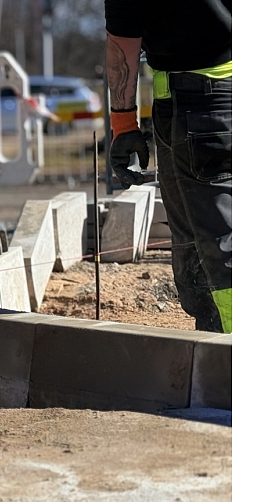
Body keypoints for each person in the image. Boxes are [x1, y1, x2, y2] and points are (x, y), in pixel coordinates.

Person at [103, 0, 231, 333]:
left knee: (215, 245)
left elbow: (123, 46)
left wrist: (123, 124)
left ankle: (224, 356)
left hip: (195, 107)